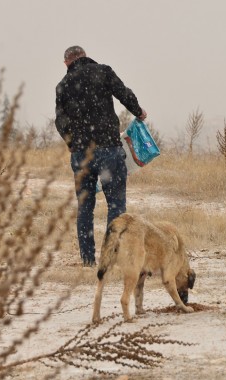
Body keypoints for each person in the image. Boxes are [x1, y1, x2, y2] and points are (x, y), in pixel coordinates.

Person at [55, 45, 147, 267]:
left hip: (81, 154)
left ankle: (87, 259)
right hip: (108, 149)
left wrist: (71, 142)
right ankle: (110, 256)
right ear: (84, 56)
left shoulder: (63, 85)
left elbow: (60, 120)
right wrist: (139, 111)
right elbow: (124, 93)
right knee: (116, 205)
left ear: (67, 62)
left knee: (85, 206)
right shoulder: (103, 71)